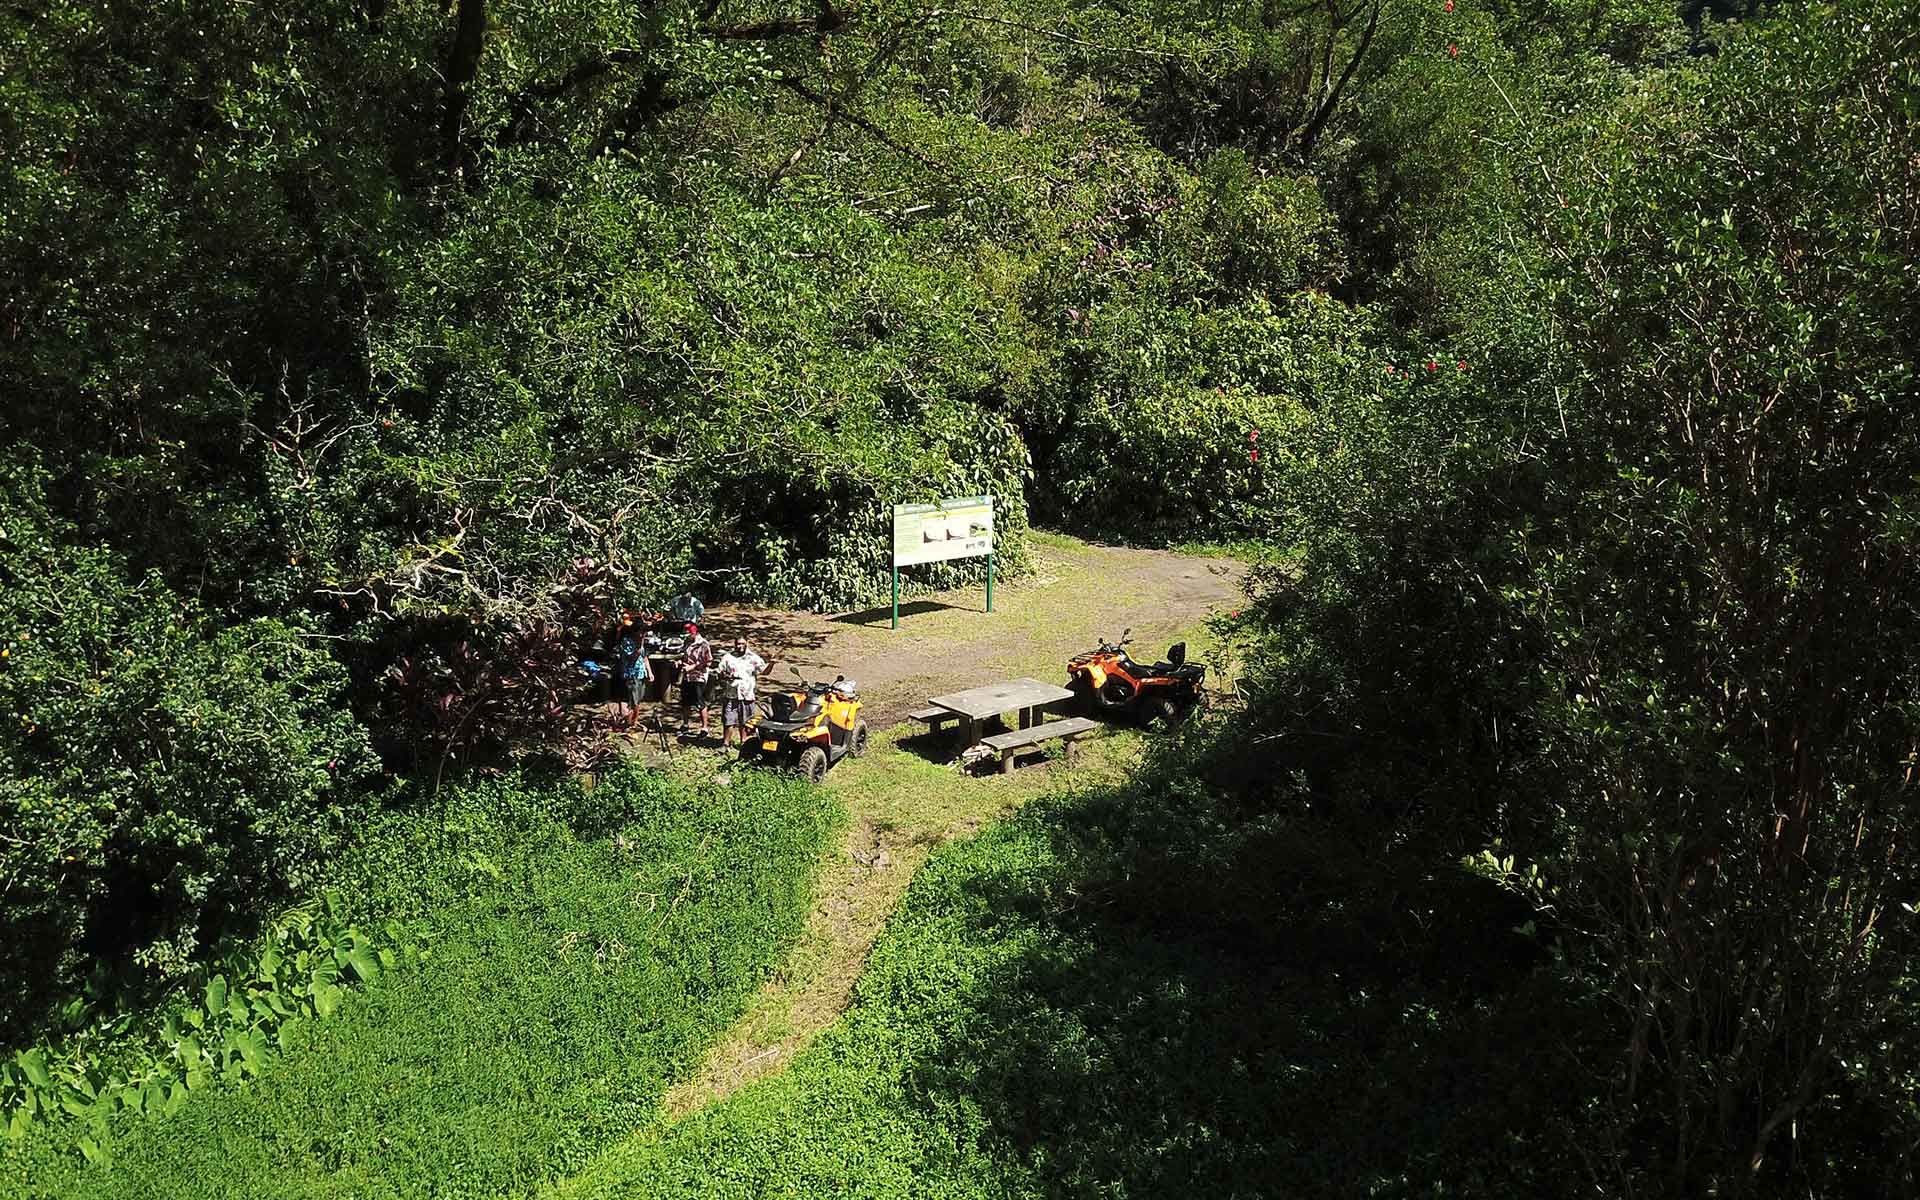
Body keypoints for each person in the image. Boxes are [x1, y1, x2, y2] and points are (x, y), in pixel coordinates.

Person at [717, 637, 768, 748]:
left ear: (747, 643)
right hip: (731, 694)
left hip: (747, 694)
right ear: (734, 644)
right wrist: (725, 676)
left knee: (745, 721)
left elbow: (764, 671)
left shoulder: (753, 658)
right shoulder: (728, 657)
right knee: (728, 720)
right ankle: (725, 744)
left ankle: (744, 743)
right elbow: (720, 672)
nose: (740, 646)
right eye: (738, 644)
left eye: (742, 644)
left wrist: (772, 663)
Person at [679, 622, 715, 738]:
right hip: (687, 676)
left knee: (700, 702)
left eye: (688, 634)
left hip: (699, 677)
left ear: (694, 632)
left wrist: (693, 666)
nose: (686, 636)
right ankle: (685, 725)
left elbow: (708, 661)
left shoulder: (703, 644)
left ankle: (704, 728)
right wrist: (679, 662)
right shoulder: (687, 642)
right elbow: (684, 657)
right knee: (685, 702)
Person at [613, 615, 648, 728]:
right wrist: (640, 645)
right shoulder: (626, 642)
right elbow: (632, 657)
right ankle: (629, 723)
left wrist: (649, 671)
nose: (642, 635)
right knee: (633, 701)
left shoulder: (641, 642)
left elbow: (644, 656)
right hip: (631, 674)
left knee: (638, 700)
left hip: (641, 673)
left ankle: (634, 721)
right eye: (641, 632)